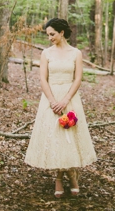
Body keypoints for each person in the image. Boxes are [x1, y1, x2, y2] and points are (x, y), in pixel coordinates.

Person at [25, 18, 97, 198]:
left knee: (70, 137)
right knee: (56, 137)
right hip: (50, 98)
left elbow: (78, 79)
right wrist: (52, 101)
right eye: (48, 35)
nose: (49, 38)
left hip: (70, 97)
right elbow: (43, 79)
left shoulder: (76, 53)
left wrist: (65, 100)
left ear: (62, 33)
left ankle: (72, 175)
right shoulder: (46, 54)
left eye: (52, 34)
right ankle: (58, 176)